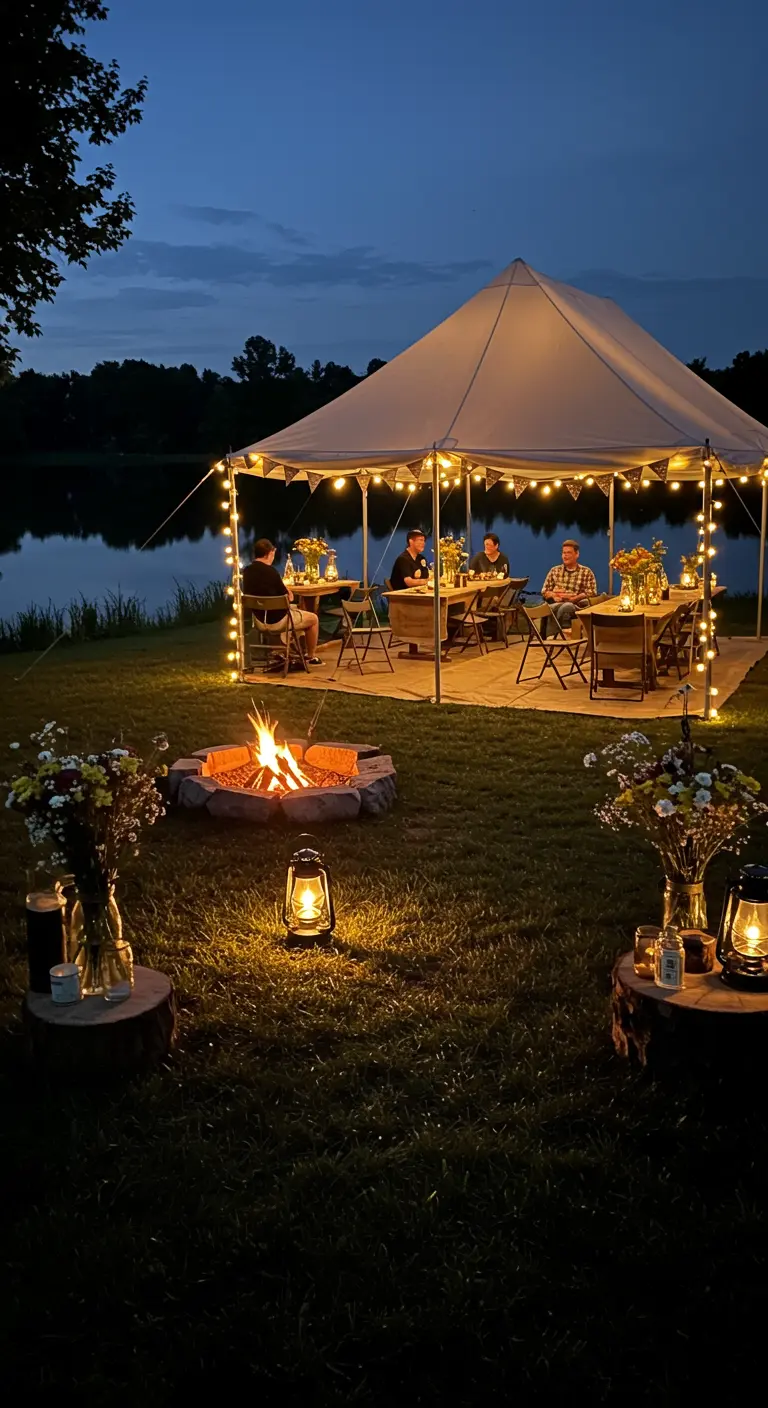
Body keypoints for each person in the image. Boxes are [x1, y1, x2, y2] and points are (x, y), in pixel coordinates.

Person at [242, 538, 321, 663]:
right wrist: (288, 591)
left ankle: (288, 650)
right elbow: (289, 598)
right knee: (313, 619)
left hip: (259, 620)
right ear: (270, 553)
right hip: (278, 621)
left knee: (296, 611)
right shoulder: (272, 572)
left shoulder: (246, 572)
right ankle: (310, 656)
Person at [541, 538, 596, 635]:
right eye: (563, 553)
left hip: (576, 605)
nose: (565, 555)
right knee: (551, 607)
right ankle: (554, 636)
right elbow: (544, 591)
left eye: (568, 553)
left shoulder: (586, 572)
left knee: (567, 606)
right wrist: (553, 595)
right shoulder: (554, 571)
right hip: (556, 603)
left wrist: (575, 598)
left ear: (577, 554)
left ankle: (557, 636)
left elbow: (592, 592)